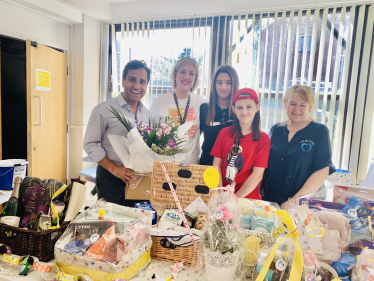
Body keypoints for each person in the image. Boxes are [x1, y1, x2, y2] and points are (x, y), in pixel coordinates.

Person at [83, 60, 152, 206]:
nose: (137, 86)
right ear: (123, 81)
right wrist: (114, 169)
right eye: (132, 79)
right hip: (111, 177)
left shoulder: (148, 115)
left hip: (139, 180)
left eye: (142, 81)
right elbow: (90, 144)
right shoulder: (103, 110)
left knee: (137, 223)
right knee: (112, 223)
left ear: (146, 85)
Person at [262, 85, 336, 209]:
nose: (297, 109)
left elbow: (322, 172)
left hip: (304, 201)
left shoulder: (319, 131)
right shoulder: (276, 130)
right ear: (286, 105)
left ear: (310, 108)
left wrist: (294, 202)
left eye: (302, 105)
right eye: (293, 104)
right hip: (272, 199)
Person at [211, 88, 270, 199]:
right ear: (234, 109)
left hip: (247, 197)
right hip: (223, 194)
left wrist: (235, 199)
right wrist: (220, 195)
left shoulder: (263, 139)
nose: (244, 111)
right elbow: (216, 166)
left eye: (249, 107)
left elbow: (257, 175)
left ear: (257, 107)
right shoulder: (224, 133)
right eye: (239, 107)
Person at [150, 57, 206, 164]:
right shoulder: (159, 102)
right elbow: (150, 138)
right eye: (182, 72)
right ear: (175, 74)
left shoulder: (201, 103)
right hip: (167, 167)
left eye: (191, 73)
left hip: (192, 167)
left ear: (195, 78)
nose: (187, 77)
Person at [199, 65, 239, 165]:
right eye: (219, 82)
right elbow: (193, 138)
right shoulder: (204, 109)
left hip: (231, 169)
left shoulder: (240, 111)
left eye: (228, 83)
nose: (223, 87)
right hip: (207, 167)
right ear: (214, 84)